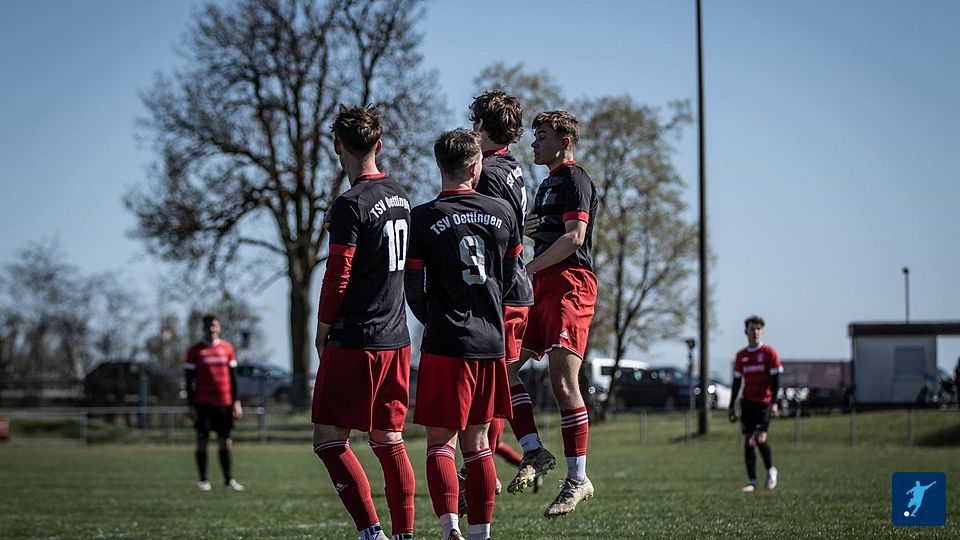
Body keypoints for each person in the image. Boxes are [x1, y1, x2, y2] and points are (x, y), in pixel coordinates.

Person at [405, 128, 520, 540]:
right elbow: (510, 278)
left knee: (441, 443)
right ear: (476, 166)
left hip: (445, 342)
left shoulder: (422, 217)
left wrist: (435, 319)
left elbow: (413, 288)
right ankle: (480, 534)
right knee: (479, 443)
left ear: (440, 165)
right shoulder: (503, 212)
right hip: (490, 342)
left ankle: (449, 526)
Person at [312, 105, 415, 540]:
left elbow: (339, 274)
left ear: (337, 146)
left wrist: (322, 327)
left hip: (356, 338)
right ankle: (404, 534)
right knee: (389, 440)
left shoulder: (350, 204)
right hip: (397, 338)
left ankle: (372, 534)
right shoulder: (401, 197)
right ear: (380, 144)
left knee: (329, 439)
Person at [505, 111, 599, 518]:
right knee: (503, 369)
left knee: (563, 380)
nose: (534, 143)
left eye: (541, 136)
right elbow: (547, 229)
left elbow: (574, 237)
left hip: (569, 283)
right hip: (541, 284)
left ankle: (578, 479)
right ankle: (533, 450)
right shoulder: (545, 184)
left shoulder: (576, 179)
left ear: (565, 141)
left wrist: (528, 267)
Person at [454, 90, 531, 514]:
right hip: (516, 291)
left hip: (499, 293)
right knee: (496, 383)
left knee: (484, 392)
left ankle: (478, 471)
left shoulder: (487, 174)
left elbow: (491, 238)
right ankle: (481, 469)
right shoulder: (512, 167)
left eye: (474, 122)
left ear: (481, 125)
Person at [184, 313, 244, 491]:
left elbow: (233, 379)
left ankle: (228, 481)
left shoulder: (227, 349)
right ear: (203, 328)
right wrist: (190, 405)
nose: (211, 328)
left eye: (214, 325)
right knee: (202, 440)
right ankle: (203, 480)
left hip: (224, 403)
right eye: (208, 325)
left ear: (219, 327)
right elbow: (188, 381)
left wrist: (236, 402)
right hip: (202, 403)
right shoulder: (195, 351)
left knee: (225, 441)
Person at [728, 315, 783, 492]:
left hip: (764, 402)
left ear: (762, 331)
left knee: (760, 438)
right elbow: (737, 382)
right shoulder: (741, 356)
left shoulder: (769, 353)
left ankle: (770, 470)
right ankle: (752, 481)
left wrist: (774, 403)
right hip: (747, 402)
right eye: (752, 329)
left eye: (759, 329)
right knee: (748, 441)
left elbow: (776, 380)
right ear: (746, 331)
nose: (756, 332)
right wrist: (731, 405)